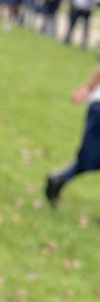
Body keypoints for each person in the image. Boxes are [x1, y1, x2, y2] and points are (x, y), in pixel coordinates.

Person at [44, 65, 100, 206]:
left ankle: (60, 178)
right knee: (92, 157)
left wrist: (87, 89)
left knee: (92, 156)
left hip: (96, 105)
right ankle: (61, 178)